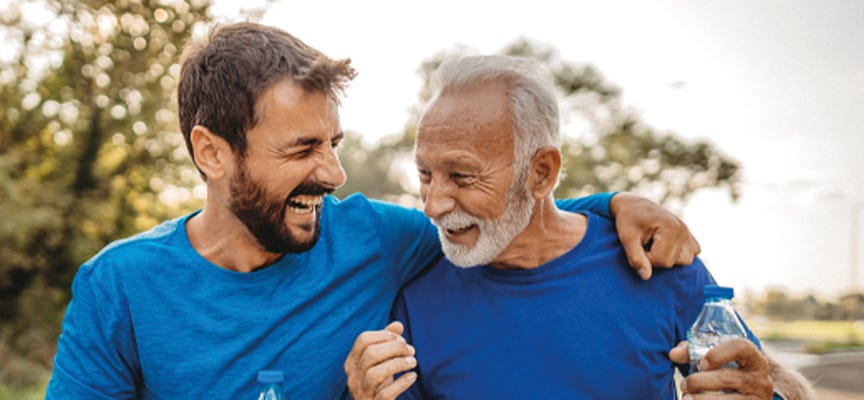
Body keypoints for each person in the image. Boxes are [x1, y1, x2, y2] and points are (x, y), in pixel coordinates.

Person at [45, 23, 702, 399]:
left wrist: (616, 207)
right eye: (302, 149)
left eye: (333, 145)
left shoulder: (378, 239)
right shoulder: (121, 286)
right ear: (212, 153)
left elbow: (501, 218)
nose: (331, 173)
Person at [344, 55, 815, 399]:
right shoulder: (416, 304)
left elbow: (774, 383)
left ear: (542, 173)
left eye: (462, 176)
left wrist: (769, 394)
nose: (433, 203)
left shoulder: (657, 262)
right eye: (425, 174)